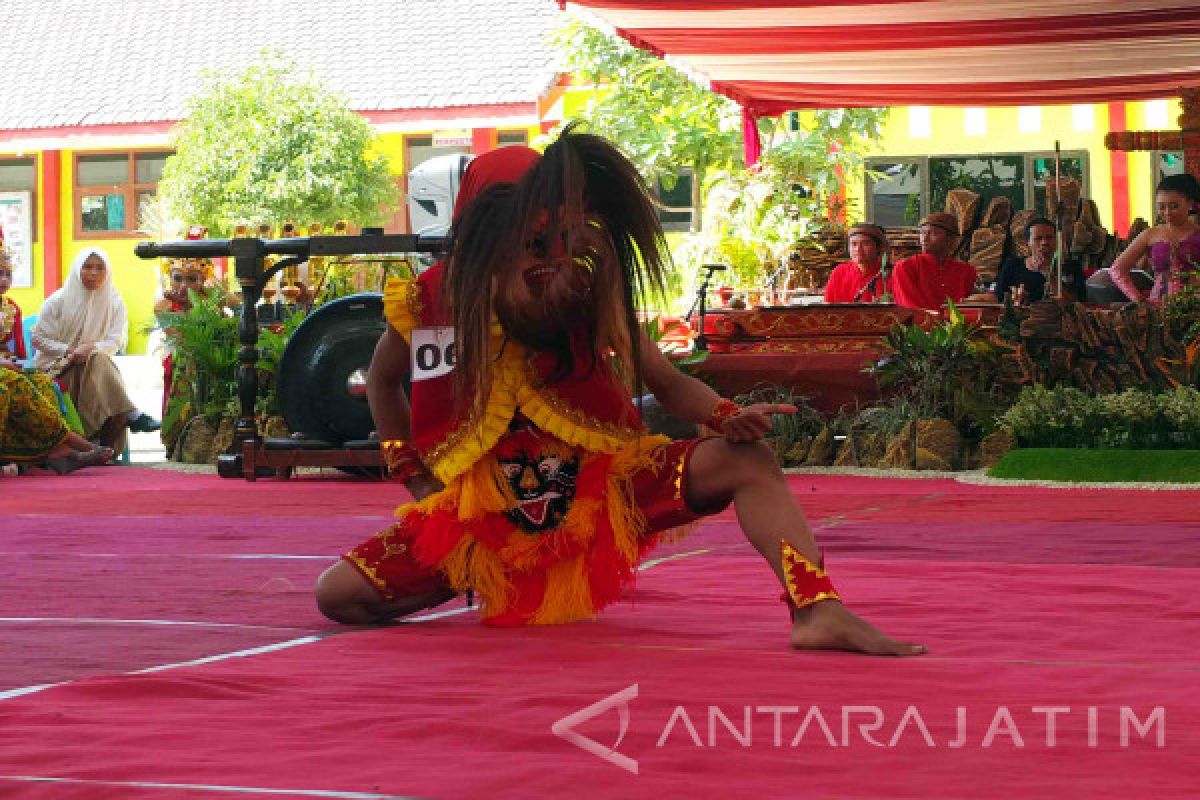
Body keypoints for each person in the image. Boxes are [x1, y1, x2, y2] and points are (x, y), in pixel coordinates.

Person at [314, 132, 925, 656]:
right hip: (480, 509)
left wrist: (725, 415)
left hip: (602, 489)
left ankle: (816, 609)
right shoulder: (428, 300)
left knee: (746, 461)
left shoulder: (585, 289)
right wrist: (416, 478)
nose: (548, 241)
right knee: (337, 596)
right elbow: (383, 383)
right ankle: (490, 574)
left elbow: (664, 380)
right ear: (484, 224)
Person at [31, 248, 159, 452]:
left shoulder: (114, 303)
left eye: (100, 268)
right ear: (77, 270)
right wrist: (69, 351)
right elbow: (37, 339)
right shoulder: (57, 301)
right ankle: (131, 414)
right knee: (99, 363)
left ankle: (96, 442)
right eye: (88, 267)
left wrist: (91, 348)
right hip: (56, 370)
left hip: (92, 369)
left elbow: (117, 341)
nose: (93, 273)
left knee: (98, 358)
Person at [1110, 174, 1200, 303]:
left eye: (1174, 206)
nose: (1167, 212)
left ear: (1190, 204)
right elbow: (1117, 269)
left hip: (1195, 310)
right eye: (1161, 207)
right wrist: (1137, 299)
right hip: (1158, 309)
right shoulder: (1150, 234)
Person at [891, 212, 980, 310]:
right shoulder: (905, 267)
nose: (925, 238)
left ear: (950, 239)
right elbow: (910, 308)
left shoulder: (966, 271)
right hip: (918, 324)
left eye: (933, 233)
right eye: (923, 233)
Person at [993, 217, 1086, 304]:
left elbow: (1076, 303)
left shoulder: (1072, 267)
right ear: (1028, 243)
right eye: (1038, 238)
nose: (1044, 242)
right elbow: (998, 298)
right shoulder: (1013, 265)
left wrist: (1048, 274)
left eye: (1049, 237)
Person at [823, 223, 891, 303]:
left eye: (865, 244)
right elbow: (828, 308)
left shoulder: (891, 274)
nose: (858, 249)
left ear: (879, 248)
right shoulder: (839, 272)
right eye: (853, 244)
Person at [0, 247, 27, 362]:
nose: (4, 280)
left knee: (44, 380)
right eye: (0, 274)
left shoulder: (11, 307)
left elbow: (18, 344)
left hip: (8, 361)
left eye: (8, 275)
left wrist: (23, 363)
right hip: (4, 365)